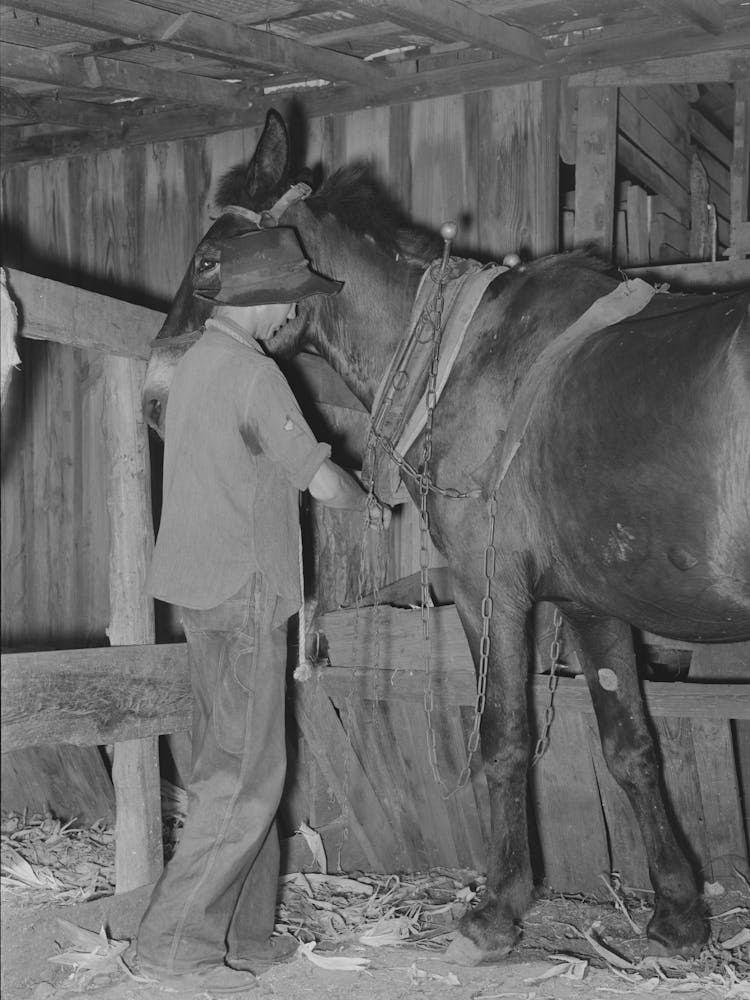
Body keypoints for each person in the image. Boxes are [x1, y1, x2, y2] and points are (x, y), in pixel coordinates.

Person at [136, 225, 388, 995]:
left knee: (235, 764)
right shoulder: (252, 374)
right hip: (244, 590)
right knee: (242, 780)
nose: (293, 315)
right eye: (292, 300)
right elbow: (316, 478)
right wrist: (374, 503)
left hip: (199, 589)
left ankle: (245, 938)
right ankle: (172, 945)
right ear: (266, 299)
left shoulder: (192, 366)